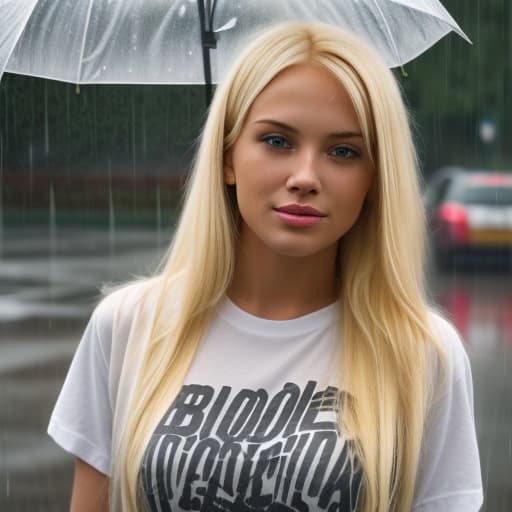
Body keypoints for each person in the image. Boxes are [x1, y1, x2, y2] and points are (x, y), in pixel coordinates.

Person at [48, 22, 483, 512]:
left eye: (343, 151)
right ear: (228, 157)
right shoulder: (128, 326)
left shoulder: (423, 355)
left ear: (375, 180)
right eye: (277, 141)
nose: (305, 177)